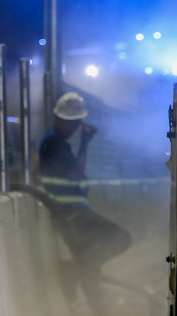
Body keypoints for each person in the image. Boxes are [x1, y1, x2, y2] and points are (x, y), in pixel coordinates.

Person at [37, 92, 132, 269]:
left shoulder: (54, 142)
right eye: (73, 123)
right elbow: (74, 175)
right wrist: (84, 144)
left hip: (69, 213)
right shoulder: (55, 143)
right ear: (60, 120)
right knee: (121, 239)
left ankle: (80, 270)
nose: (75, 128)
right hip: (72, 214)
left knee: (87, 254)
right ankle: (77, 269)